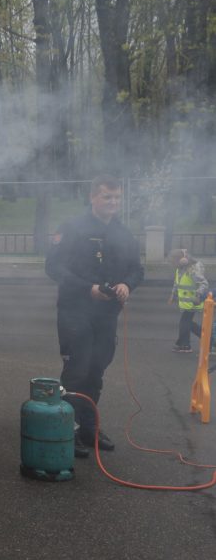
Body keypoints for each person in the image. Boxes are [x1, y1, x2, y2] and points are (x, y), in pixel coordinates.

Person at [45, 176, 144, 458]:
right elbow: (53, 267)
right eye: (106, 197)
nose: (112, 203)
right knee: (76, 371)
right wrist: (87, 288)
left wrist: (127, 284)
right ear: (93, 197)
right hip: (74, 310)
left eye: (116, 198)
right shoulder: (72, 228)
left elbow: (137, 269)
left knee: (96, 371)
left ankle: (88, 427)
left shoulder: (124, 233)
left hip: (106, 314)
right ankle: (68, 428)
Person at [168, 248, 208, 353]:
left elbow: (204, 284)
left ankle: (186, 344)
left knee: (185, 323)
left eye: (173, 262)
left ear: (182, 260)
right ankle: (184, 343)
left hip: (194, 301)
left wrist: (198, 295)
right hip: (187, 302)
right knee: (187, 323)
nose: (173, 265)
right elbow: (177, 283)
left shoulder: (192, 269)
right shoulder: (180, 268)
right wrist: (173, 294)